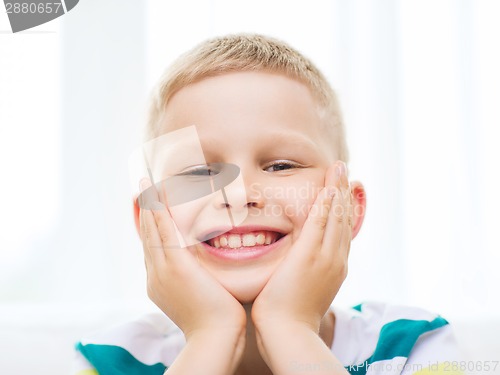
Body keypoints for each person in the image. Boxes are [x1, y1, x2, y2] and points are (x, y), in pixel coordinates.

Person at [72, 34, 462, 375]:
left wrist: (290, 328)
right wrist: (210, 338)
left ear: (349, 206)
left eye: (280, 165)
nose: (239, 196)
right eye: (200, 173)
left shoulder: (412, 346)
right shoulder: (109, 361)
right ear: (148, 219)